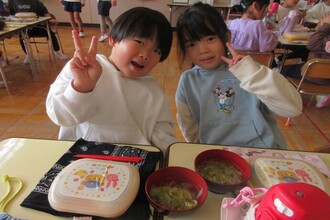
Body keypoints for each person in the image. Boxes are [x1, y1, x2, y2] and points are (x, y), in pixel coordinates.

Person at [46, 7, 176, 154]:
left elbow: (163, 131)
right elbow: (60, 116)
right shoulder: (81, 67)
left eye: (156, 51)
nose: (146, 55)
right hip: (81, 159)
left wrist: (164, 157)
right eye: (139, 41)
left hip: (133, 162)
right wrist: (81, 88)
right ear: (113, 38)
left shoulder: (153, 91)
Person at [175, 3, 302, 149]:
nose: (203, 50)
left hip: (262, 150)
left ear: (226, 37)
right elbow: (188, 125)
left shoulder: (250, 71)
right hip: (215, 155)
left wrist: (251, 74)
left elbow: (293, 109)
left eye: (210, 39)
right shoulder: (188, 81)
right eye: (191, 44)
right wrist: (197, 150)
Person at [281, 12, 330, 108]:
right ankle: (323, 94)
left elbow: (312, 44)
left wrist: (325, 26)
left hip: (317, 76)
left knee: (283, 69)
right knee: (304, 64)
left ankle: (287, 100)